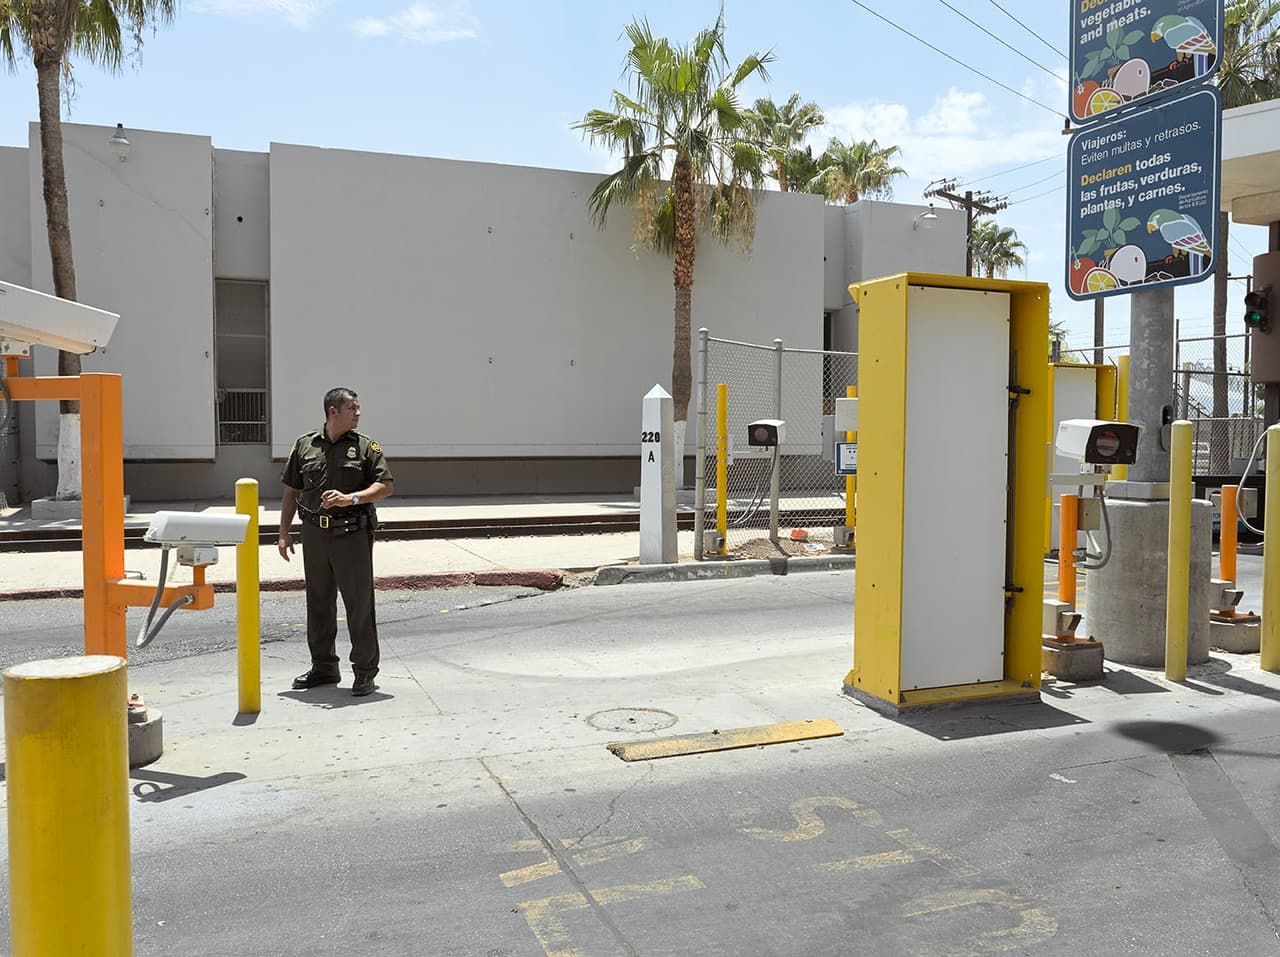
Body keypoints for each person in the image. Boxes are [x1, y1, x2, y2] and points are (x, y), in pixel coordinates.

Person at [278, 387, 394, 696]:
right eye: (352, 408)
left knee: (358, 604)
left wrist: (350, 498)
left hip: (351, 535)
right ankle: (324, 667)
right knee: (318, 602)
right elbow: (291, 490)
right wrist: (284, 532)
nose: (358, 412)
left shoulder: (366, 447)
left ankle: (365, 671)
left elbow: (385, 486)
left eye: (358, 407)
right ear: (333, 411)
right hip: (314, 534)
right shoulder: (305, 446)